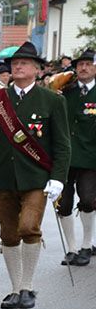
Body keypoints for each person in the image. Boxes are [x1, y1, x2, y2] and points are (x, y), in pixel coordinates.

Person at [0, 43, 71, 309]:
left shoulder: (53, 100)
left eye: (24, 63)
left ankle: (27, 286)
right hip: (3, 177)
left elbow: (61, 144)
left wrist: (58, 178)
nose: (18, 67)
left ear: (37, 69)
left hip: (36, 178)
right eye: (14, 63)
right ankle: (15, 289)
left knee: (28, 227)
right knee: (9, 234)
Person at [58, 49, 96, 266]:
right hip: (64, 157)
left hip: (91, 158)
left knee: (88, 200)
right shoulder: (65, 92)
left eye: (88, 64)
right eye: (80, 64)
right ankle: (71, 248)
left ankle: (86, 245)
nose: (83, 68)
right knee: (63, 203)